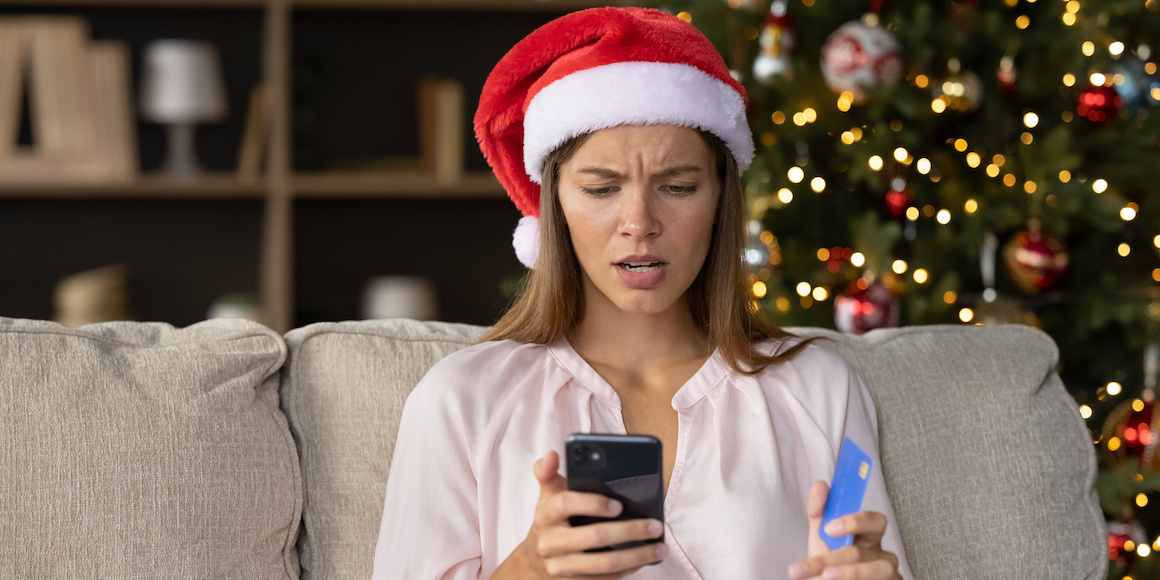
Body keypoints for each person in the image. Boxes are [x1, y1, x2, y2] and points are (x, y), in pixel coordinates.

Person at [372, 7, 912, 580]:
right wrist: (529, 570)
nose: (639, 221)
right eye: (602, 189)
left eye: (677, 187)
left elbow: (866, 560)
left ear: (720, 202)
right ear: (554, 206)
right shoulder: (463, 399)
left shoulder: (818, 389)